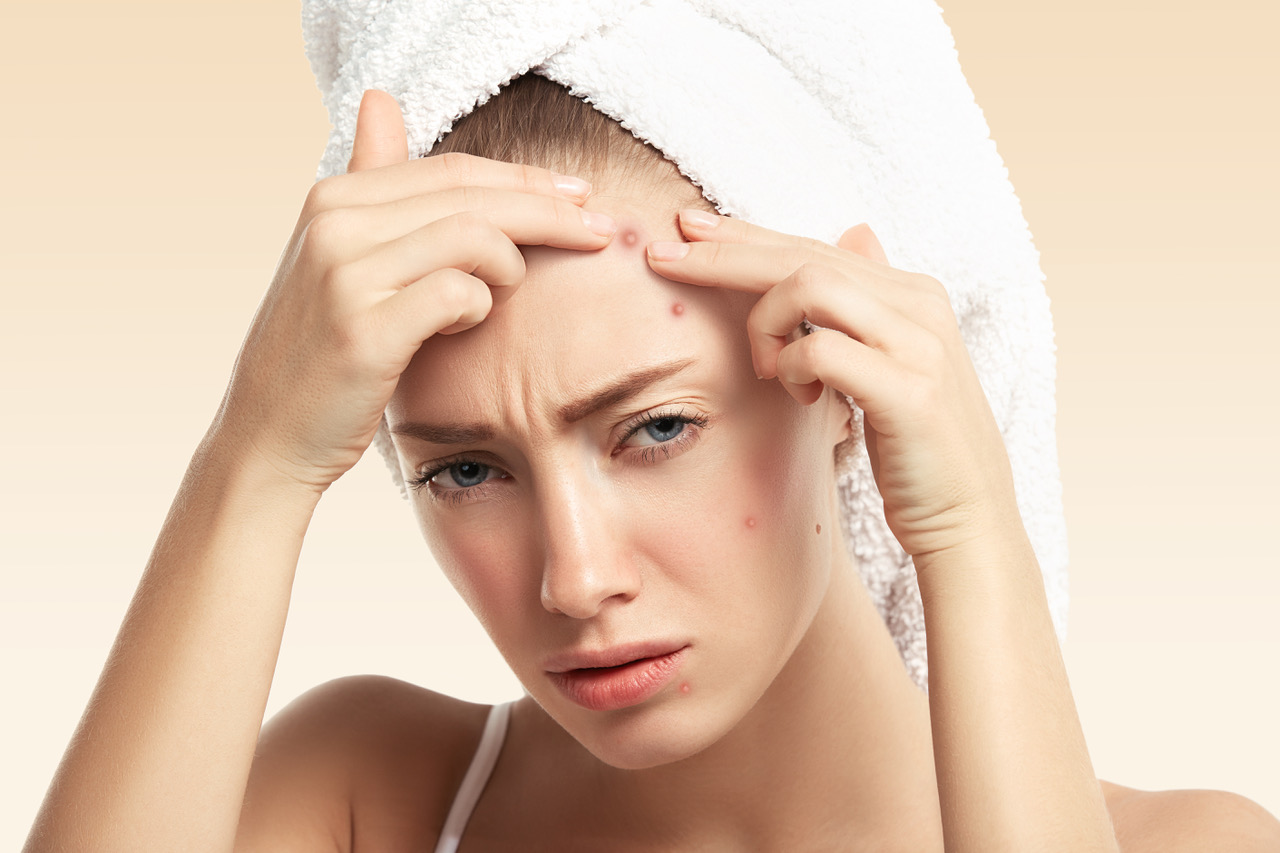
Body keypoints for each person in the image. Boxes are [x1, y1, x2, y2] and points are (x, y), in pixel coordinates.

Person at [21, 54, 1280, 853]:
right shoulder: (367, 797)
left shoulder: (1191, 843)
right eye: (465, 468)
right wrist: (255, 457)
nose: (574, 578)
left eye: (656, 428)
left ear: (842, 389)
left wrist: (969, 530)